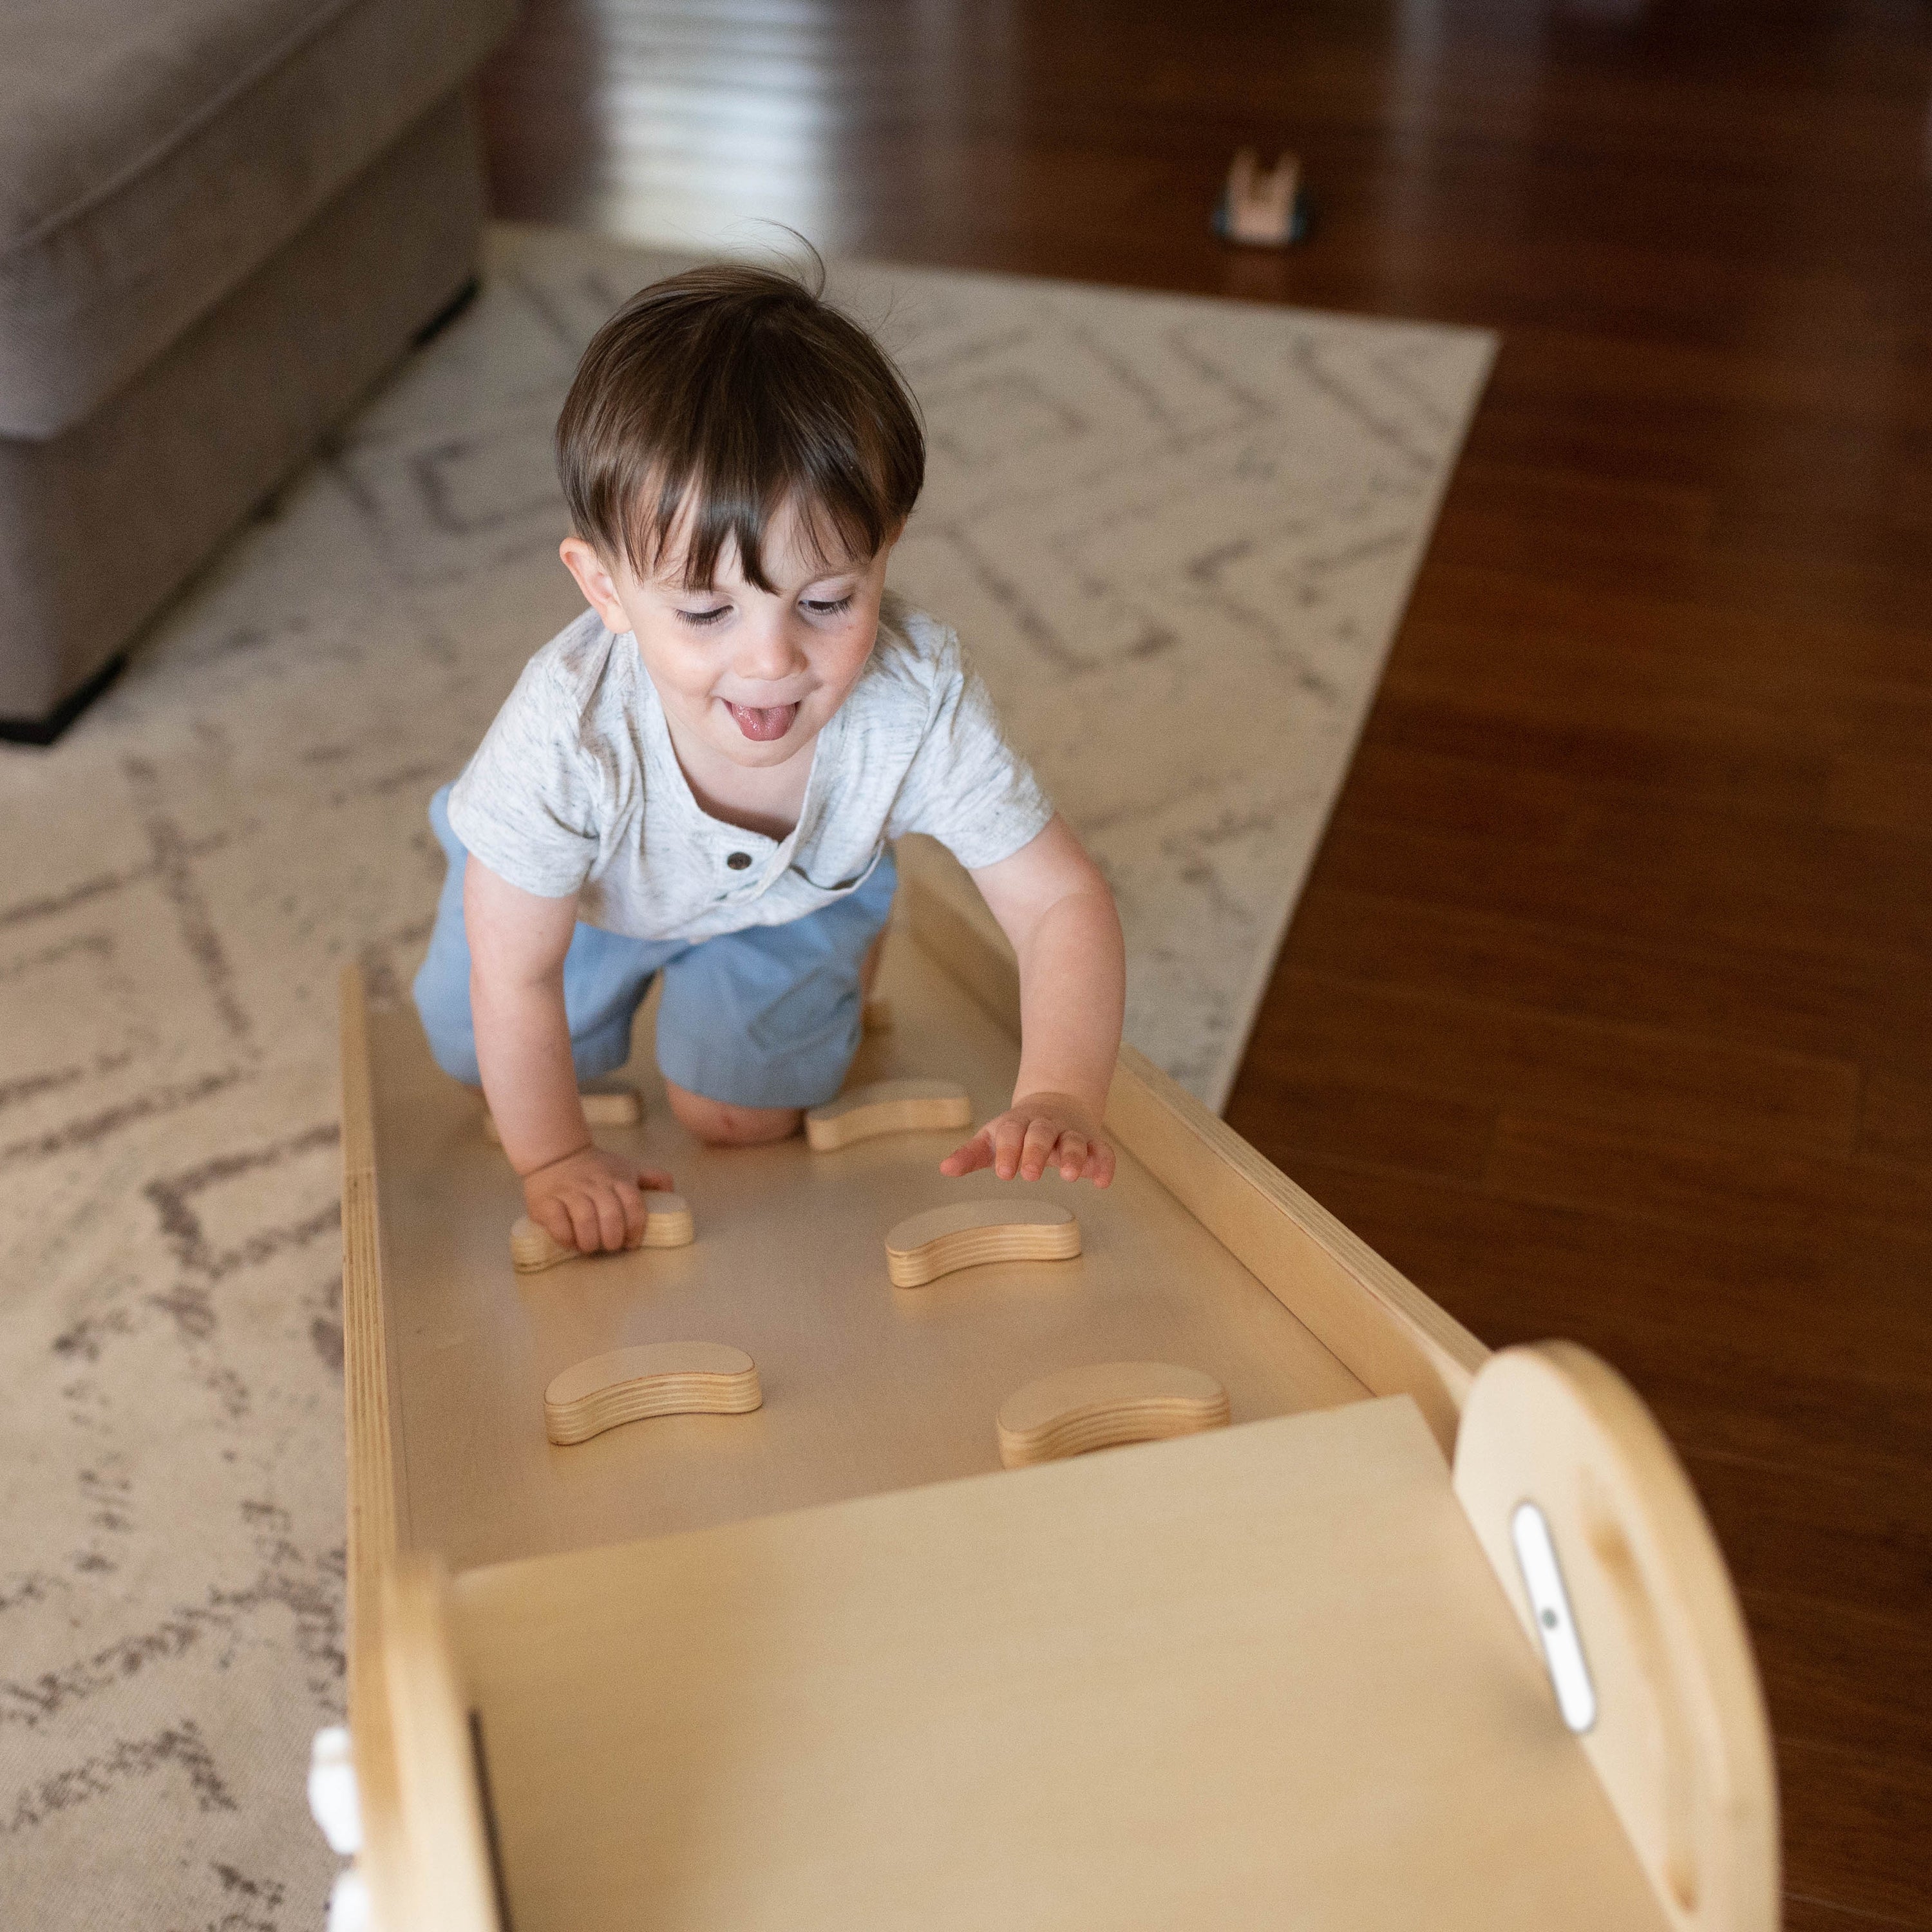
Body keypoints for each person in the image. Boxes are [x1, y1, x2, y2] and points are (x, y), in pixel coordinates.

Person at [412, 258, 1125, 1258]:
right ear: (605, 588)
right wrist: (554, 1158)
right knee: (472, 1047)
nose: (772, 661)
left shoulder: (915, 697)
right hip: (585, 904)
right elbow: (516, 973)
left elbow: (1060, 903)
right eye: (706, 613)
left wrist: (1059, 1089)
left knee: (738, 1119)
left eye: (827, 600)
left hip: (791, 897)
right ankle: (483, 847)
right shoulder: (566, 732)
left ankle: (854, 911)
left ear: (887, 546)